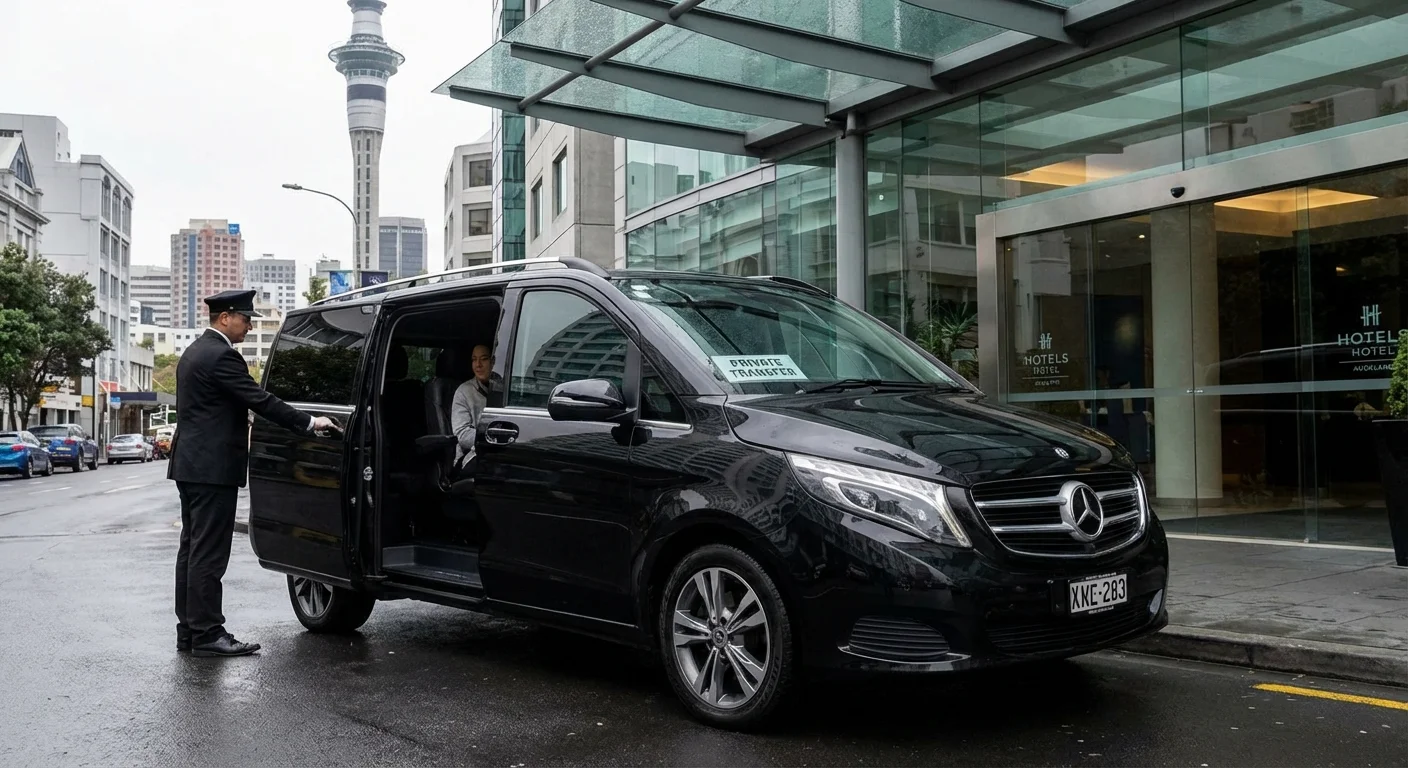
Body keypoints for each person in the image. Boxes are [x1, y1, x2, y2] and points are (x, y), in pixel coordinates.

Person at [169, 290, 338, 658]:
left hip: (191, 466)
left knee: (192, 550)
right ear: (226, 317)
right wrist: (310, 422)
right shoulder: (222, 356)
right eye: (246, 319)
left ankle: (190, 631)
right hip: (213, 469)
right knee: (209, 554)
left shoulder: (194, 353)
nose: (249, 325)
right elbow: (261, 401)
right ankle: (209, 632)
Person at [450, 344, 499, 471]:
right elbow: (462, 434)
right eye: (474, 359)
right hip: (473, 457)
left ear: (493, 362)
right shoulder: (463, 392)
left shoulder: (504, 388)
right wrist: (491, 438)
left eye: (483, 359)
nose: (478, 365)